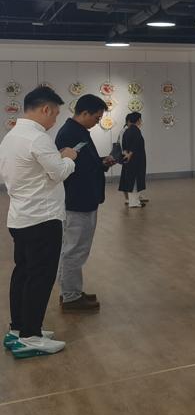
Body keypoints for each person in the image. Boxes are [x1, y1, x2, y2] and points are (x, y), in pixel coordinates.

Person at [0, 87, 77, 358]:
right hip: (42, 218)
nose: (54, 120)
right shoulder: (38, 138)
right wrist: (69, 158)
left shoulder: (11, 136)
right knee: (40, 277)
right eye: (54, 114)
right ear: (45, 109)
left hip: (20, 217)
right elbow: (59, 173)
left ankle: (18, 329)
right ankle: (30, 336)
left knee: (23, 273)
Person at [54, 94, 117, 312]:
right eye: (96, 118)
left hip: (85, 198)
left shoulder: (79, 131)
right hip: (77, 200)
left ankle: (71, 291)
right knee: (75, 249)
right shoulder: (69, 133)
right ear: (84, 113)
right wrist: (98, 165)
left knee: (76, 248)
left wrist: (102, 162)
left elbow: (83, 163)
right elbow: (69, 169)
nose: (97, 122)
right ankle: (70, 296)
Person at [118, 112, 146, 208]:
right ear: (138, 120)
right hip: (136, 159)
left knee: (130, 179)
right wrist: (130, 154)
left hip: (129, 159)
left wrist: (126, 153)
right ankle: (134, 202)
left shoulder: (127, 130)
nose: (141, 121)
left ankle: (133, 201)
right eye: (140, 119)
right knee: (135, 180)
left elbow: (124, 144)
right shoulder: (136, 130)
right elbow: (136, 144)